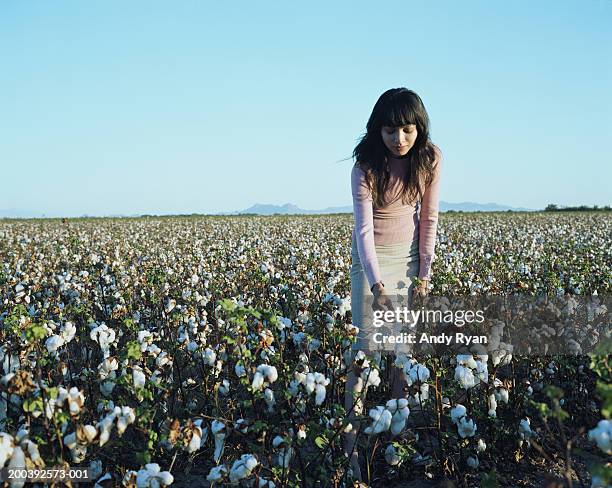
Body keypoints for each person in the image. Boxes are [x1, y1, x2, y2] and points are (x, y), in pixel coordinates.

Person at [343, 87, 442, 481]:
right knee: (364, 350)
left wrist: (425, 274)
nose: (398, 139)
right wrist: (378, 286)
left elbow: (429, 218)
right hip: (370, 263)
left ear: (419, 128)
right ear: (376, 130)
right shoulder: (364, 166)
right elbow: (364, 231)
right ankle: (349, 448)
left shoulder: (430, 159)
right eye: (389, 130)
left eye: (406, 129)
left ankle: (396, 444)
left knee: (402, 351)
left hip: (410, 258)